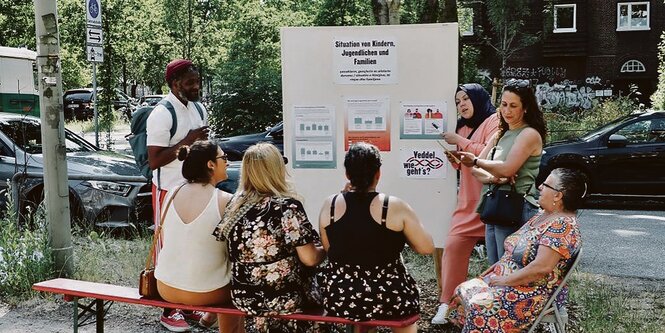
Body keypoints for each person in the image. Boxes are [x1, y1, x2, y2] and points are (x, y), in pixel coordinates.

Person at [447, 167, 585, 333]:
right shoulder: (543, 215)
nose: (540, 186)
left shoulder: (562, 225)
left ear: (558, 195)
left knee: (479, 305)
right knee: (462, 290)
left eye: (546, 185)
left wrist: (503, 280)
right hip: (509, 282)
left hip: (529, 292)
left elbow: (541, 268)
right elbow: (512, 252)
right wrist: (491, 274)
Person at [318, 142, 434, 333]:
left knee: (361, 310)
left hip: (341, 296)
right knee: (405, 314)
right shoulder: (394, 206)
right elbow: (426, 247)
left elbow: (329, 248)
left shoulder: (329, 205)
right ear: (378, 173)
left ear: (347, 174)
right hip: (389, 296)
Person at [212, 143, 325, 332]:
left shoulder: (235, 205)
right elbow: (310, 258)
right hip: (283, 299)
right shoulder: (286, 207)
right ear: (276, 169)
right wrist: (327, 247)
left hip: (246, 297)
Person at [146, 58, 210, 331]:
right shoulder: (162, 113)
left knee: (191, 246)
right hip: (167, 190)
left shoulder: (198, 108)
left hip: (195, 189)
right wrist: (188, 141)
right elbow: (154, 160)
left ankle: (185, 304)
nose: (196, 86)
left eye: (197, 81)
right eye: (190, 82)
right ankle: (168, 309)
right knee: (168, 248)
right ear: (175, 84)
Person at [154, 140, 243, 333]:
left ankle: (209, 319)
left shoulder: (171, 194)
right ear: (210, 164)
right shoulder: (225, 200)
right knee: (240, 284)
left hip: (166, 286)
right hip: (205, 292)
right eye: (224, 158)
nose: (227, 162)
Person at [456, 79, 547, 265]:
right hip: (494, 204)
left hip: (516, 206)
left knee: (510, 268)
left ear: (526, 108)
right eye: (504, 105)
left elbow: (507, 168)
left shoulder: (529, 134)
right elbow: (476, 171)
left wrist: (476, 160)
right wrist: (495, 178)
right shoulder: (500, 134)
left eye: (513, 106)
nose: (506, 111)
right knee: (495, 267)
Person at [431, 83, 500, 325]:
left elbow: (488, 155)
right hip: (467, 202)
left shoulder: (493, 121)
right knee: (453, 248)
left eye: (466, 99)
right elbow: (464, 165)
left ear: (477, 99)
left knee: (498, 261)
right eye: (458, 101)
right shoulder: (462, 126)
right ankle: (445, 304)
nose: (461, 104)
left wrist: (459, 140)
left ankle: (493, 309)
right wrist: (453, 158)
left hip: (493, 202)